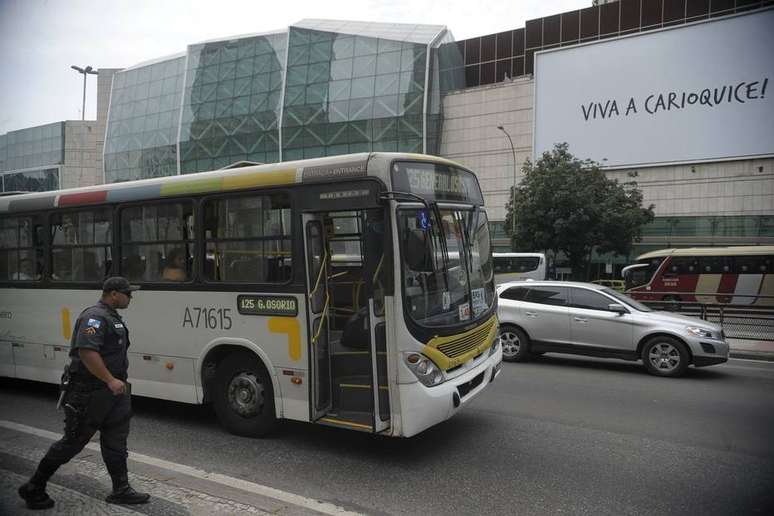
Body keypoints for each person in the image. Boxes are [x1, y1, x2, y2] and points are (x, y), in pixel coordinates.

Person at [18, 277, 150, 510]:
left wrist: (115, 384)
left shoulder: (111, 316)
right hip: (90, 392)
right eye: (128, 294)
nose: (131, 297)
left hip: (114, 393)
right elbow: (87, 351)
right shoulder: (95, 317)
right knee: (73, 442)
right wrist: (109, 380)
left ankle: (121, 489)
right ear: (113, 294)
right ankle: (34, 486)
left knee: (116, 441)